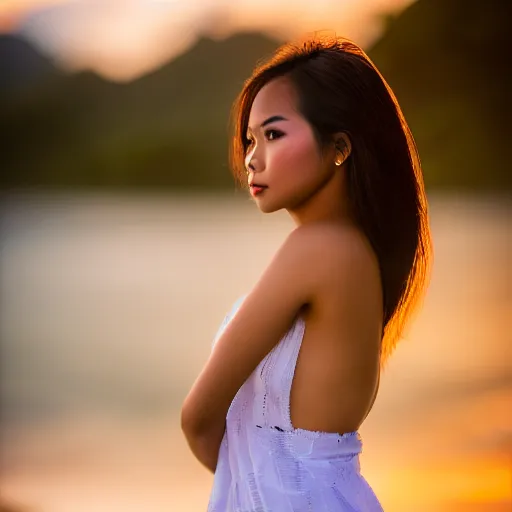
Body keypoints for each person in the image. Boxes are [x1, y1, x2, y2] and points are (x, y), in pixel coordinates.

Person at [181, 33, 433, 511]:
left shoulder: (320, 248)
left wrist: (256, 488)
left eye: (273, 134)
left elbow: (197, 417)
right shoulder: (355, 252)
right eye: (250, 139)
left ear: (338, 146)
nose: (253, 157)